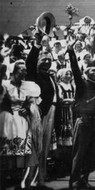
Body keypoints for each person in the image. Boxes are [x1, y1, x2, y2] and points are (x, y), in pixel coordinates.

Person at [67, 42, 95, 190]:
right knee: (79, 153)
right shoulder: (82, 84)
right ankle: (74, 181)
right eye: (93, 70)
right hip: (83, 122)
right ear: (87, 72)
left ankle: (84, 180)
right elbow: (75, 69)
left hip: (94, 123)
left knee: (90, 154)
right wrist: (71, 53)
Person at [1, 61, 42, 190]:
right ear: (13, 72)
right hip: (7, 120)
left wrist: (28, 108)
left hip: (23, 120)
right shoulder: (5, 85)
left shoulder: (28, 86)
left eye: (25, 70)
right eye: (21, 70)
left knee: (23, 150)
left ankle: (20, 180)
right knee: (7, 149)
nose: (24, 73)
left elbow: (33, 101)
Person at [26, 33, 60, 189]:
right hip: (38, 115)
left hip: (50, 114)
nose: (46, 61)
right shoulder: (34, 75)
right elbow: (30, 62)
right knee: (36, 147)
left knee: (45, 148)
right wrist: (37, 45)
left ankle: (40, 178)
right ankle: (31, 180)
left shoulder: (51, 76)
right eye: (43, 59)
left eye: (49, 60)